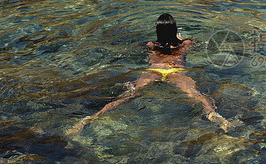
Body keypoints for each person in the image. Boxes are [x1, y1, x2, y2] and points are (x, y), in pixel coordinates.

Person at [67, 13, 234, 135]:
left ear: (157, 30)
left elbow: (143, 49)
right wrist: (180, 38)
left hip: (154, 70)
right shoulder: (185, 44)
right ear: (175, 29)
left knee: (126, 96)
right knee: (196, 95)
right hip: (175, 71)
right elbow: (191, 45)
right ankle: (215, 116)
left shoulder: (151, 45)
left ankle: (89, 119)